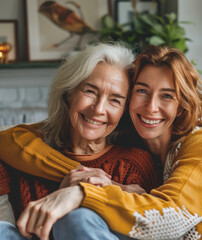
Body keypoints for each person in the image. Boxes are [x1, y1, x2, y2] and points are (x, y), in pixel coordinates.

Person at [1, 45, 202, 240]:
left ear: (182, 105)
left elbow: (171, 216)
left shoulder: (199, 143)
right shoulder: (129, 134)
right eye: (142, 91)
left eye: (167, 95)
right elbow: (9, 139)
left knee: (76, 219)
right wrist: (90, 177)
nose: (151, 107)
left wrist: (82, 193)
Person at [0, 43, 160, 239]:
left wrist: (110, 188)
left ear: (124, 112)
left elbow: (153, 226)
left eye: (115, 100)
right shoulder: (24, 155)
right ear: (69, 93)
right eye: (90, 91)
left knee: (78, 219)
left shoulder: (135, 163)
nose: (99, 109)